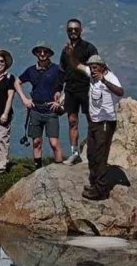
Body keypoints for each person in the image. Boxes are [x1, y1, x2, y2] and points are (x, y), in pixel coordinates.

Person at [77, 54, 124, 201]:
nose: (92, 70)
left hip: (105, 122)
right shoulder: (91, 74)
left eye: (95, 67)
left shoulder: (109, 77)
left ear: (102, 68)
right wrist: (70, 51)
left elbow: (120, 92)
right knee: (91, 153)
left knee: (100, 155)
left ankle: (101, 190)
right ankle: (94, 183)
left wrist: (103, 80)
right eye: (91, 67)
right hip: (94, 121)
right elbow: (77, 65)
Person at [16, 45, 66, 167]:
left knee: (54, 143)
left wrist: (60, 101)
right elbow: (17, 82)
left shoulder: (56, 69)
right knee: (36, 142)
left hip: (51, 111)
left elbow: (69, 84)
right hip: (35, 110)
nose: (42, 54)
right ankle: (37, 169)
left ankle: (59, 169)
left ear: (49, 54)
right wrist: (24, 99)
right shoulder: (31, 71)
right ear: (36, 54)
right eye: (40, 52)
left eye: (45, 52)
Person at [59, 18, 99, 164]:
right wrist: (59, 90)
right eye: (70, 30)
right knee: (72, 121)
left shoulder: (89, 48)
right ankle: (74, 153)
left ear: (81, 30)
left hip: (87, 89)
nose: (73, 32)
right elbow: (62, 71)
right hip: (70, 90)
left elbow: (96, 68)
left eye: (76, 29)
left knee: (92, 120)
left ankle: (93, 151)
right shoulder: (65, 51)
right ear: (67, 31)